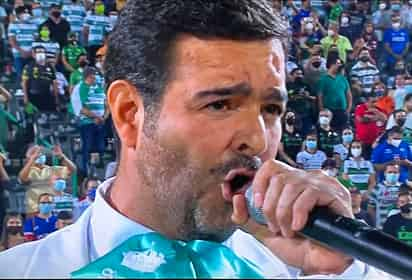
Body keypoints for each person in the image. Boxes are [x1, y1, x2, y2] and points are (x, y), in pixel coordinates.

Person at [0, 1, 389, 278]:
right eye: (220, 104)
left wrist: (346, 268)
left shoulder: (307, 269)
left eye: (270, 109)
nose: (256, 138)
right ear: (129, 113)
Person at [18, 145, 76, 216]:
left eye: (41, 153)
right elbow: (22, 178)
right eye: (34, 152)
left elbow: (72, 170)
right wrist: (32, 160)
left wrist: (62, 157)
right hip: (34, 211)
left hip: (54, 210)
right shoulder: (28, 171)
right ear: (27, 156)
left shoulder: (52, 169)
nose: (38, 154)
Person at [78, 67, 107, 176]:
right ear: (88, 76)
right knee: (88, 147)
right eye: (94, 75)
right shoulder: (82, 88)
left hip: (100, 123)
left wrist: (103, 117)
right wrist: (95, 117)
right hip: (87, 123)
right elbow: (81, 108)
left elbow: (106, 105)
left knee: (100, 148)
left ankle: (98, 174)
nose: (96, 78)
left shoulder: (100, 88)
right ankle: (86, 173)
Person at [317, 55, 352, 132]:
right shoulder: (323, 79)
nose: (340, 65)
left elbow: (348, 94)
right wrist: (322, 110)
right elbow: (320, 96)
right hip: (329, 111)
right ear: (332, 64)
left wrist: (348, 109)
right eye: (338, 63)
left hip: (342, 110)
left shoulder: (343, 78)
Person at [21, 45, 59, 113]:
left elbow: (54, 83)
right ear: (34, 54)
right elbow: (24, 83)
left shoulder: (50, 67)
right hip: (34, 96)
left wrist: (56, 97)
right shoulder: (28, 66)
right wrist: (25, 97)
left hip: (47, 95)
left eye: (42, 52)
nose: (40, 54)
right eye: (38, 52)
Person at [8, 6, 38, 85]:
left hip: (31, 54)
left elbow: (36, 40)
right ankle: (21, 91)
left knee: (32, 74)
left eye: (27, 12)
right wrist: (22, 51)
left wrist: (31, 51)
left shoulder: (34, 25)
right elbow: (12, 41)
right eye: (24, 13)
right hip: (18, 55)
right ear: (18, 15)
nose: (26, 14)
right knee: (21, 74)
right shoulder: (13, 25)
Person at [368, 163, 403, 229]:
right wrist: (375, 224)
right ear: (385, 173)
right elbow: (370, 208)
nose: (392, 174)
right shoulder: (377, 188)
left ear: (399, 174)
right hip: (382, 227)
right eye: (390, 172)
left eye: (395, 172)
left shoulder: (403, 188)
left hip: (400, 227)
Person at [354, 92, 387, 158]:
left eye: (376, 102)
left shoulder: (378, 109)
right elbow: (361, 120)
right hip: (362, 141)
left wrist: (377, 112)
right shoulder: (360, 108)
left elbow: (385, 119)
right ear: (366, 101)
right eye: (373, 102)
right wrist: (376, 118)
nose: (375, 104)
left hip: (375, 142)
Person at [285, 67, 315, 134]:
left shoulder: (306, 85)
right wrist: (292, 97)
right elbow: (283, 99)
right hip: (292, 114)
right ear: (291, 75)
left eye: (301, 74)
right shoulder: (287, 86)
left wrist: (307, 96)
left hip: (305, 114)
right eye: (297, 74)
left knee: (306, 134)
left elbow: (314, 98)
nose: (300, 75)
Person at [82, 0, 111, 66]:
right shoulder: (89, 17)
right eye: (97, 5)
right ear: (94, 7)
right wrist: (87, 44)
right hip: (91, 44)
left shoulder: (107, 19)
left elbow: (109, 33)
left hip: (102, 45)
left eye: (101, 4)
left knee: (100, 64)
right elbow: (85, 32)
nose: (99, 6)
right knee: (91, 64)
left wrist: (106, 44)